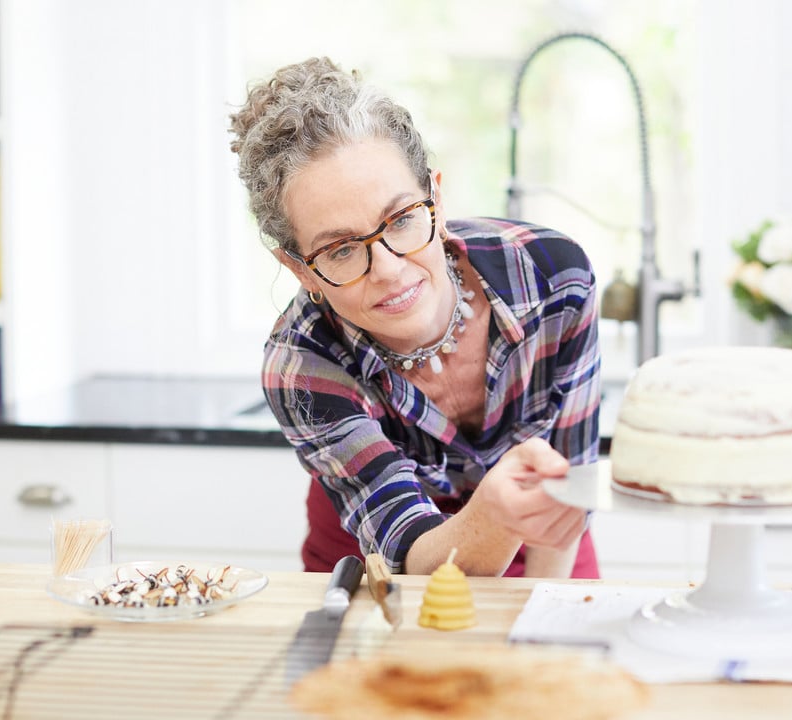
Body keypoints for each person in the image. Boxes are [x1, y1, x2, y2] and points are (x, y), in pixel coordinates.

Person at [228, 57, 602, 578]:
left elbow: (569, 491)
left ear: (437, 198)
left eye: (401, 219)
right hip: (378, 564)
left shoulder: (553, 279)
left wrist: (539, 626)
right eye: (339, 250)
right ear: (299, 269)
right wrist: (490, 520)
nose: (387, 269)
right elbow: (413, 559)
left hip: (545, 544)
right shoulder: (302, 367)